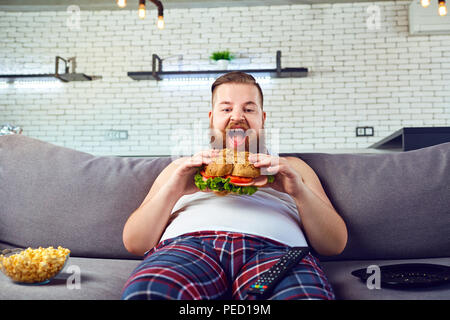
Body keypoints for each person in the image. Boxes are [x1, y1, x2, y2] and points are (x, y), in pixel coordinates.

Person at [121, 71, 348, 300]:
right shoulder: (181, 167)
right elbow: (135, 243)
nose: (237, 117)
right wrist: (175, 189)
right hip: (188, 247)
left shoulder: (292, 167)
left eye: (249, 109)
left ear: (263, 118)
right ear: (211, 118)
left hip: (276, 252)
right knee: (148, 293)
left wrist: (297, 191)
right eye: (226, 109)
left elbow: (333, 245)